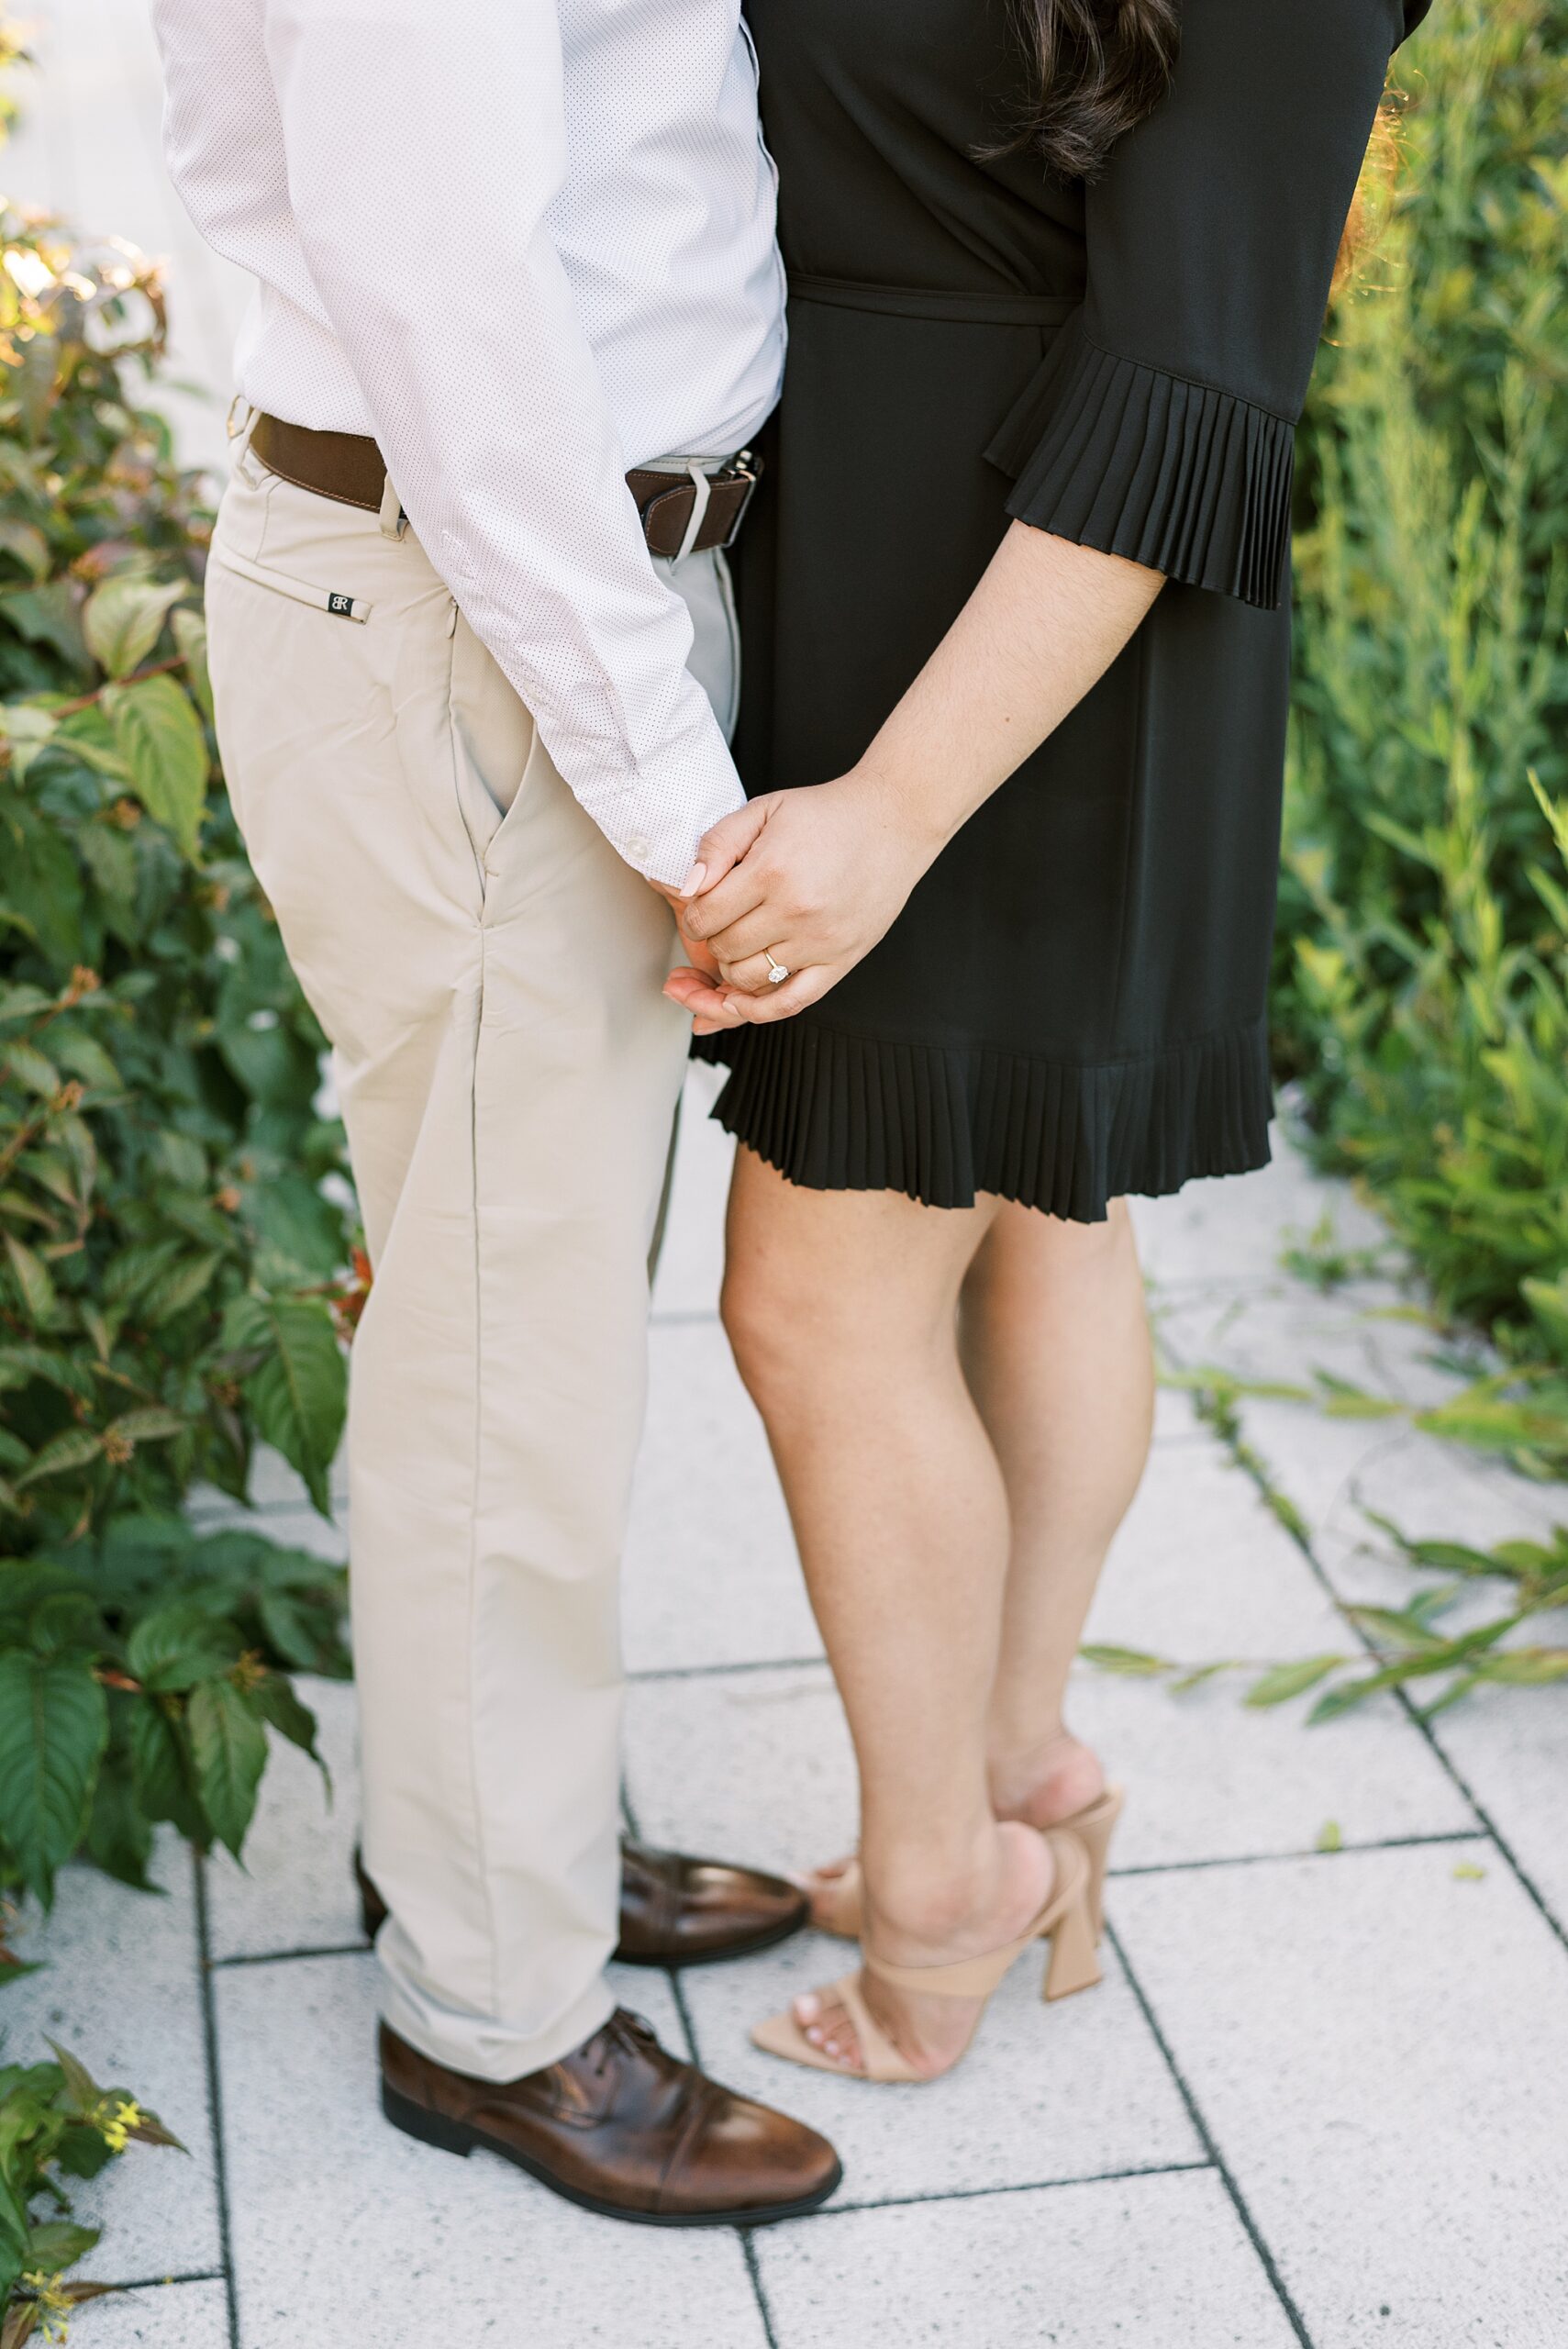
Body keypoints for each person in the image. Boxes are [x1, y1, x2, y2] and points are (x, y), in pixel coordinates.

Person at [665, 0, 1432, 2082]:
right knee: (1030, 1210)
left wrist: (894, 811)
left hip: (1035, 614)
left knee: (819, 1297)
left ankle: (940, 1885)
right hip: (877, 554)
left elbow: (1196, 362)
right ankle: (1013, 1777)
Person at [151, 0, 842, 2224]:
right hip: (493, 610)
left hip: (519, 595)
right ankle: (495, 2007)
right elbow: (441, 270)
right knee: (498, 1349)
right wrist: (663, 777)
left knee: (509, 1300)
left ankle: (500, 1826)